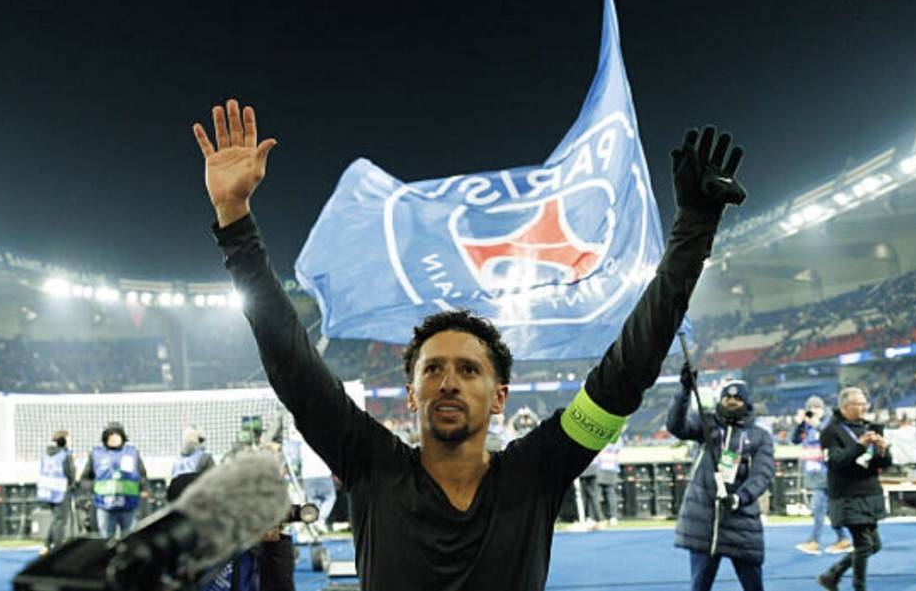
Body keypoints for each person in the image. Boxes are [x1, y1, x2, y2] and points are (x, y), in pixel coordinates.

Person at [193, 98, 746, 590]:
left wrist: (693, 230)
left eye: (469, 369)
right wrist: (234, 221)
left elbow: (625, 374)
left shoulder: (541, 469)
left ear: (500, 395)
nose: (449, 382)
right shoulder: (370, 463)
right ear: (411, 395)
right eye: (432, 370)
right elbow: (292, 364)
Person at [667, 377, 774, 591]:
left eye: (737, 398)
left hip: (742, 523)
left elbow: (762, 475)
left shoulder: (760, 436)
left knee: (754, 587)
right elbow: (676, 426)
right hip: (703, 523)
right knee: (699, 586)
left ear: (746, 402)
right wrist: (685, 391)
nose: (732, 401)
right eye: (727, 397)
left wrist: (739, 498)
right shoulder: (706, 425)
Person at [817, 387, 892, 591]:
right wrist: (860, 446)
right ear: (844, 407)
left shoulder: (870, 427)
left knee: (874, 545)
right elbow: (835, 461)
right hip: (847, 495)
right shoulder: (830, 431)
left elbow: (884, 464)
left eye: (864, 403)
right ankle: (859, 587)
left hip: (870, 492)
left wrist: (883, 450)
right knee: (864, 545)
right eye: (858, 404)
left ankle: (832, 575)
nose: (863, 408)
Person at [791, 396, 851, 555]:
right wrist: (800, 424)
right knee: (829, 509)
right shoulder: (807, 426)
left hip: (827, 471)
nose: (814, 411)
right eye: (811, 409)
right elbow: (794, 440)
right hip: (813, 472)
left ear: (823, 409)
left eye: (817, 408)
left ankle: (814, 541)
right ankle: (843, 539)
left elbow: (829, 434)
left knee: (818, 507)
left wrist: (816, 423)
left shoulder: (830, 422)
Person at [79, 422, 148, 538]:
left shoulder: (132, 453)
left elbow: (142, 475)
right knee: (106, 540)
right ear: (105, 438)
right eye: (111, 436)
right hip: (105, 506)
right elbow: (84, 479)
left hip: (129, 505)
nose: (114, 439)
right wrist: (93, 488)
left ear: (123, 437)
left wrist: (144, 489)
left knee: (130, 539)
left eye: (117, 435)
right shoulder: (96, 454)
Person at [37, 430, 76, 554]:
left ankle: (46, 544)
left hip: (47, 491)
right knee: (60, 521)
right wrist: (73, 484)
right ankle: (58, 549)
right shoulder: (65, 454)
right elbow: (70, 472)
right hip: (61, 491)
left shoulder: (46, 454)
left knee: (56, 518)